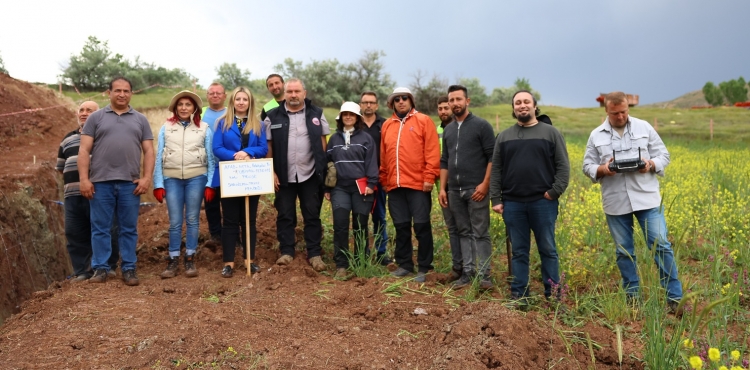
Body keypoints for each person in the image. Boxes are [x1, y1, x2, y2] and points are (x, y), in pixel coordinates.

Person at [583, 91, 683, 314]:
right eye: (615, 113)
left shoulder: (644, 127)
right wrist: (603, 169)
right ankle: (633, 298)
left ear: (628, 108)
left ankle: (674, 297)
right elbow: (587, 166)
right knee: (624, 251)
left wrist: (650, 164)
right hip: (616, 201)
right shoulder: (596, 135)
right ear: (607, 111)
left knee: (661, 245)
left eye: (624, 112)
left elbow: (664, 155)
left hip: (647, 199)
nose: (620, 116)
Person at [489, 90, 569, 304]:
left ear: (535, 106)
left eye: (526, 102)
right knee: (519, 251)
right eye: (517, 103)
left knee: (548, 249)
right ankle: (519, 294)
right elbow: (496, 169)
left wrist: (554, 192)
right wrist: (495, 199)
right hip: (513, 203)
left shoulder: (551, 133)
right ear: (513, 108)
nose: (522, 105)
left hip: (543, 203)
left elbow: (563, 167)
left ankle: (553, 295)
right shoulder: (504, 136)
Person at [78, 77, 155, 286]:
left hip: (130, 184)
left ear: (131, 93)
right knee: (100, 227)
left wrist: (147, 178)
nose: (122, 94)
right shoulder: (96, 118)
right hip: (100, 183)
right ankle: (101, 268)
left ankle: (129, 268)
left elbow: (149, 151)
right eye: (118, 90)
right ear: (109, 93)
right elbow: (84, 150)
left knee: (128, 228)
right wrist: (84, 180)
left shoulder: (140, 120)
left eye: (126, 91)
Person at [265, 78, 329, 272]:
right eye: (290, 92)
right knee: (285, 214)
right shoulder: (272, 116)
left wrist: (322, 170)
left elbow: (322, 142)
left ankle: (314, 253)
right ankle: (286, 251)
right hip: (284, 176)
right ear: (284, 94)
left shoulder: (317, 114)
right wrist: (272, 171)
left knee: (312, 214)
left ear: (304, 93)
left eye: (297, 91)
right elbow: (269, 146)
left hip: (309, 174)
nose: (293, 95)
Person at [380, 87, 440, 283]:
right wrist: (384, 179)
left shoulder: (423, 121)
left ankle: (424, 267)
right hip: (395, 185)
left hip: (418, 185)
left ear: (411, 101)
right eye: (397, 99)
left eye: (405, 98)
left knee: (422, 226)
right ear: (392, 103)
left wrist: (429, 177)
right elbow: (383, 156)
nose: (401, 101)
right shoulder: (387, 125)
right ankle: (405, 264)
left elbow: (432, 151)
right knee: (401, 226)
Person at [153, 90, 215, 278]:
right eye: (180, 105)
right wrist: (158, 183)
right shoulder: (166, 127)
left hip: (197, 178)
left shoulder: (204, 128)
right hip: (172, 179)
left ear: (194, 108)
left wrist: (210, 183)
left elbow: (211, 158)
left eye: (188, 105)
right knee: (175, 221)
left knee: (192, 219)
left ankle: (190, 258)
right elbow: (159, 155)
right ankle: (173, 259)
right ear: (175, 108)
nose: (184, 108)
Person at [439, 85, 495, 289]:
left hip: (476, 189)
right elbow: (444, 160)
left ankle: (484, 276)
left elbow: (492, 157)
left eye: (458, 99)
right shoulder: (449, 129)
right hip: (454, 190)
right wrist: (443, 188)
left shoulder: (482, 126)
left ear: (467, 101)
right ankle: (467, 273)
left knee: (480, 232)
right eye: (451, 100)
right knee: (463, 232)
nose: (455, 103)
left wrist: (485, 184)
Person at [56, 101, 120, 281]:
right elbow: (61, 167)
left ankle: (108, 266)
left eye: (89, 110)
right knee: (74, 232)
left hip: (99, 192)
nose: (84, 113)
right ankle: (82, 271)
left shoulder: (105, 136)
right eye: (81, 110)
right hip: (72, 195)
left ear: (99, 115)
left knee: (105, 229)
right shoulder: (67, 138)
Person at [212, 87, 268, 278]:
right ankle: (228, 263)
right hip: (229, 176)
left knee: (249, 220)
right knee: (229, 221)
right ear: (233, 101)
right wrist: (235, 156)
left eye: (245, 99)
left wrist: (248, 152)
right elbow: (217, 148)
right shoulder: (222, 123)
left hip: (251, 177)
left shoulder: (258, 124)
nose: (242, 102)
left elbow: (263, 148)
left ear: (250, 102)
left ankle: (249, 260)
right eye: (238, 99)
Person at [324, 102, 379, 279]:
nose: (348, 117)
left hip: (361, 187)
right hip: (340, 187)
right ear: (341, 118)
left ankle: (360, 261)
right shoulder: (334, 139)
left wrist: (371, 184)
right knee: (340, 225)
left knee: (360, 225)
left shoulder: (366, 138)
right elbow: (328, 164)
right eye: (345, 114)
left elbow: (371, 162)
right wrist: (327, 187)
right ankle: (341, 264)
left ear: (357, 117)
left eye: (352, 114)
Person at [358, 91, 392, 266]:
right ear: (360, 105)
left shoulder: (385, 124)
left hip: (379, 177)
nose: (368, 105)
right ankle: (362, 251)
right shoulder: (355, 123)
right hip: (359, 177)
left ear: (377, 106)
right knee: (361, 216)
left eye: (371, 102)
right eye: (365, 103)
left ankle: (380, 252)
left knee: (379, 215)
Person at [435, 96, 461, 282]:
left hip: (462, 185)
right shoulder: (436, 130)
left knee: (465, 228)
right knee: (452, 227)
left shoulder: (461, 127)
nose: (444, 111)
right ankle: (457, 267)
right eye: (440, 108)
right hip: (443, 186)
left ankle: (471, 268)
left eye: (446, 107)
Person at [201, 82, 227, 241]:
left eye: (218, 93)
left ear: (225, 96)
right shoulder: (200, 114)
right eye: (212, 93)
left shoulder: (231, 112)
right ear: (207, 96)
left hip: (228, 165)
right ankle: (215, 235)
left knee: (230, 203)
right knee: (211, 202)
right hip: (207, 166)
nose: (215, 95)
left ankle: (233, 235)